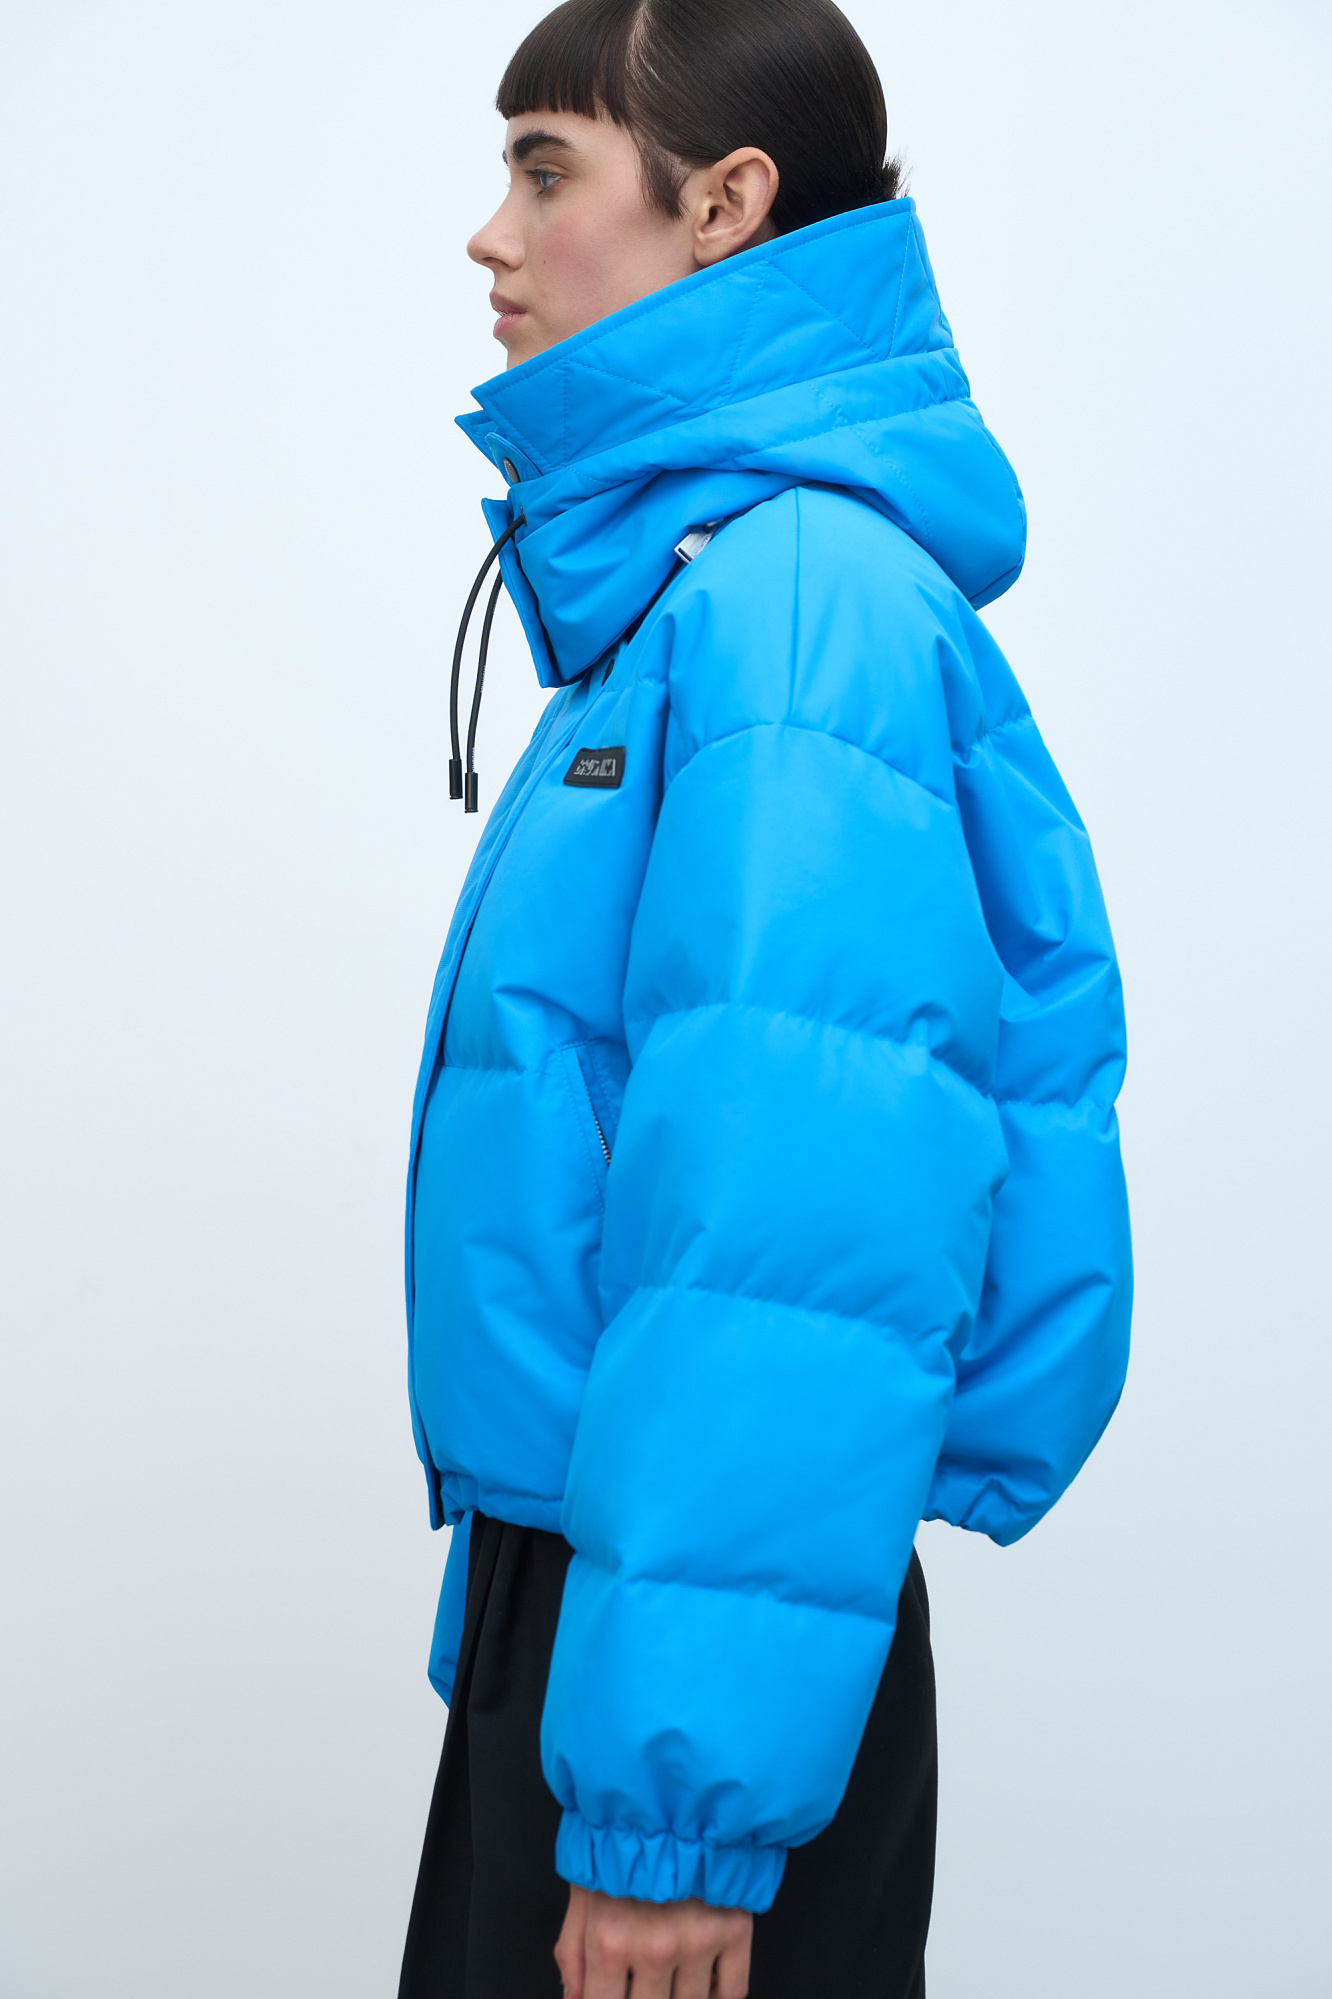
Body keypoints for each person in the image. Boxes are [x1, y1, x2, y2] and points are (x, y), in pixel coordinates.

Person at [397, 2, 1133, 1994]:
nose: (491, 233)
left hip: (696, 1678)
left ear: (723, 204)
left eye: (544, 168)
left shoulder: (796, 605)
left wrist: (675, 1813)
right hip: (651, 1614)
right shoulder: (706, 597)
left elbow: (789, 1236)